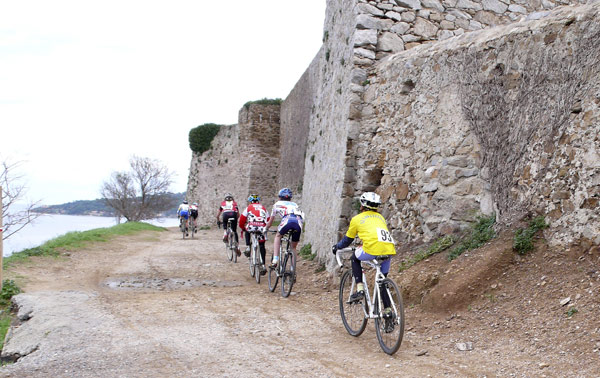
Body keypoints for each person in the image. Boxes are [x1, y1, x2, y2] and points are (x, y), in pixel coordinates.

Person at [331, 192, 396, 306]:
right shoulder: (381, 218)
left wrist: (337, 247)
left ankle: (360, 289)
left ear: (362, 206)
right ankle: (388, 311)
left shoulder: (357, 219)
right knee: (382, 282)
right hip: (389, 250)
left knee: (354, 258)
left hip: (371, 249)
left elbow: (347, 240)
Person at [265, 187, 304, 269]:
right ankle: (293, 270)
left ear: (279, 197)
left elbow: (271, 221)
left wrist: (266, 228)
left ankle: (275, 260)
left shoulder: (276, 204)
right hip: (299, 223)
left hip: (287, 220)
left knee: (278, 236)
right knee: (293, 247)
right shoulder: (295, 204)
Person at [239, 194, 269, 275]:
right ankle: (263, 265)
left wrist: (242, 227)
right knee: (262, 245)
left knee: (247, 229)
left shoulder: (248, 208)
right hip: (262, 227)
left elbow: (242, 219)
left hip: (252, 226)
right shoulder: (264, 208)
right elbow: (268, 219)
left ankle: (248, 247)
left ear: (250, 202)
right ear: (258, 201)